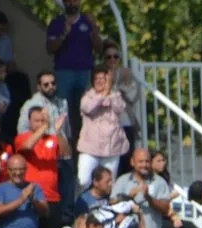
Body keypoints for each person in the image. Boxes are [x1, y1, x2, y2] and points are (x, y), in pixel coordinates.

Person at [45, 0, 103, 144]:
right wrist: (64, 34)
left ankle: (87, 144)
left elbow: (99, 48)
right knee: (64, 113)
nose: (72, 2)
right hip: (64, 73)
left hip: (85, 73)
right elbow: (50, 49)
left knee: (87, 111)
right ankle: (65, 145)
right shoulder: (56, 23)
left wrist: (94, 27)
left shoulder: (88, 21)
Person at [14, 108, 66, 228]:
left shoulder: (52, 138)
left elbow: (67, 153)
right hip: (32, 198)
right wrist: (45, 127)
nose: (41, 123)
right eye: (37, 121)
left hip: (52, 197)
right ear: (29, 122)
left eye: (43, 121)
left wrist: (58, 132)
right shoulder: (22, 138)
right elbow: (27, 146)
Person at [76, 64, 128, 189]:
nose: (99, 81)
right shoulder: (87, 96)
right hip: (90, 148)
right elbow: (88, 108)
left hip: (111, 147)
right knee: (83, 181)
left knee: (108, 185)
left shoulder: (116, 95)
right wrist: (104, 94)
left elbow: (120, 108)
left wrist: (110, 93)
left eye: (103, 78)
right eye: (96, 78)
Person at [112, 148, 172, 228]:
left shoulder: (159, 182)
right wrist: (128, 197)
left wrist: (148, 197)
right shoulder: (122, 181)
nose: (144, 165)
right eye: (140, 161)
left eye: (147, 161)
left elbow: (165, 209)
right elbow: (112, 205)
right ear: (132, 162)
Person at [102, 42, 139, 173]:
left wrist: (126, 83)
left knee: (126, 158)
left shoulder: (126, 73)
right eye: (108, 57)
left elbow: (133, 97)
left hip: (125, 122)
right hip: (107, 124)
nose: (112, 60)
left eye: (115, 56)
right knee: (110, 161)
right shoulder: (99, 74)